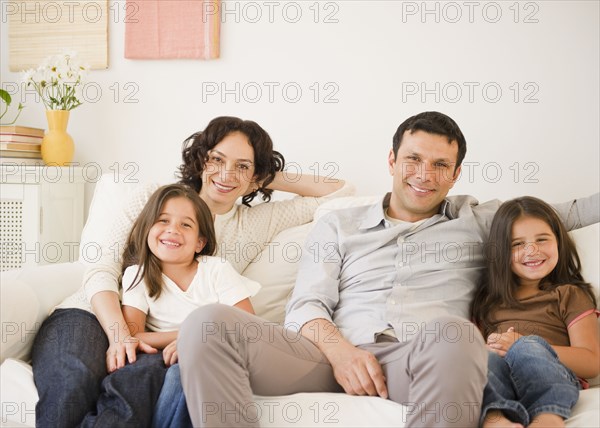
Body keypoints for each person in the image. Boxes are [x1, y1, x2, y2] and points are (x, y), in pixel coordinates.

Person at [177, 111, 600, 428]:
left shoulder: (480, 220)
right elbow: (307, 304)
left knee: (455, 333)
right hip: (325, 356)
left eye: (439, 166)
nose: (424, 175)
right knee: (207, 323)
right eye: (413, 160)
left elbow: (574, 212)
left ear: (455, 175)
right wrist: (342, 354)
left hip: (419, 360)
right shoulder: (337, 224)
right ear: (392, 160)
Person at [31, 116, 353, 428]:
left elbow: (341, 190)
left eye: (242, 165)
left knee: (138, 388)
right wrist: (119, 336)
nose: (227, 174)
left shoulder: (255, 222)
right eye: (217, 159)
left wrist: (262, 172)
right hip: (91, 312)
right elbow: (100, 267)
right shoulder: (155, 198)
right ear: (200, 160)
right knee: (73, 381)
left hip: (161, 339)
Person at [470, 196, 599, 428]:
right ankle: (495, 419)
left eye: (542, 239)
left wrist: (523, 344)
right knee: (482, 359)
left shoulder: (569, 295)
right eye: (517, 244)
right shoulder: (487, 302)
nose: (532, 250)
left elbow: (592, 362)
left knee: (528, 346)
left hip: (550, 376)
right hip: (502, 377)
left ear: (558, 242)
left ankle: (548, 417)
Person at [121, 183, 260, 371]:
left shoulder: (216, 270)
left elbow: (248, 326)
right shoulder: (137, 275)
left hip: (212, 353)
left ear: (199, 243)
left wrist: (196, 340)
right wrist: (187, 335)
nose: (173, 230)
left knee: (184, 371)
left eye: (185, 225)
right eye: (163, 220)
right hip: (161, 356)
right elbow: (133, 335)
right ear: (147, 229)